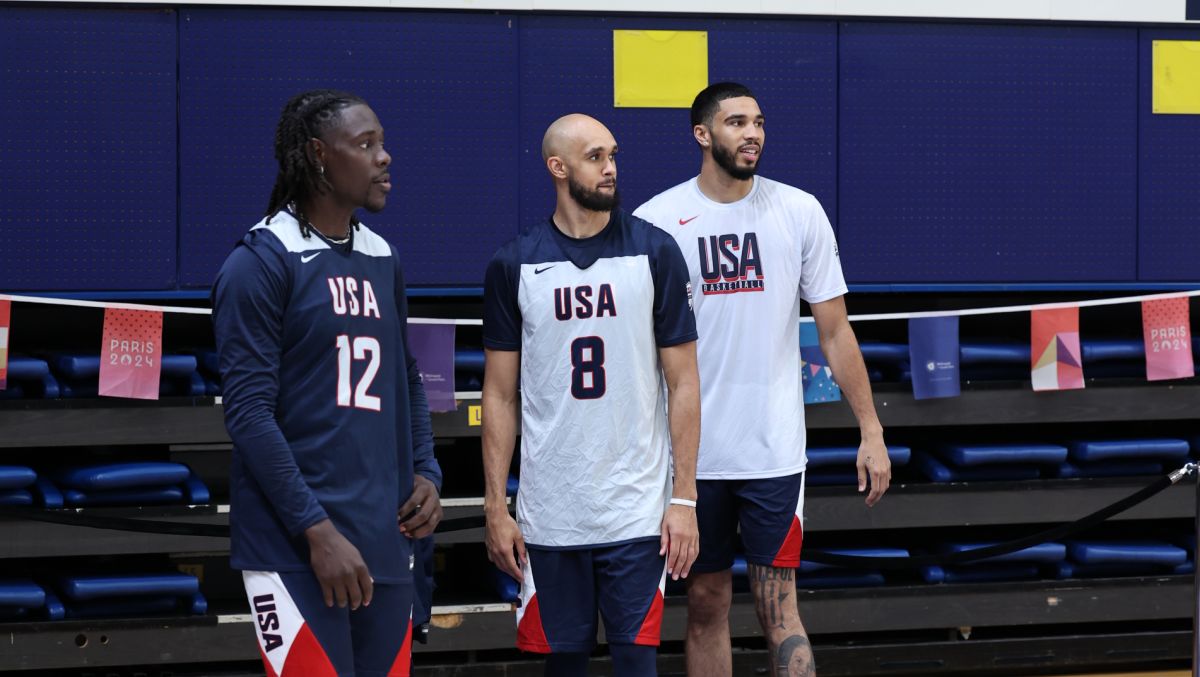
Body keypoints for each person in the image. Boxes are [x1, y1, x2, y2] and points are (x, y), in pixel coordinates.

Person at [633, 82, 891, 677]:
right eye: (736, 122)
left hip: (774, 453)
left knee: (781, 612)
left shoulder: (798, 211)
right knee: (705, 603)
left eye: (759, 122)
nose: (752, 133)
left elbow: (835, 332)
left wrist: (871, 429)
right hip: (692, 459)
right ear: (703, 134)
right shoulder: (657, 221)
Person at [212, 89, 443, 677]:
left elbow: (406, 377)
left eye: (382, 143)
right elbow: (247, 416)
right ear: (318, 154)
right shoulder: (260, 262)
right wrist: (316, 530)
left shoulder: (382, 256)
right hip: (296, 548)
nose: (384, 157)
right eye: (365, 144)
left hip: (384, 542)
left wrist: (427, 471)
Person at [481, 114, 701, 676]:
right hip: (551, 514)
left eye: (613, 155)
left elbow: (684, 382)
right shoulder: (515, 264)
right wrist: (494, 507)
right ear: (558, 168)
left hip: (635, 509)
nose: (611, 169)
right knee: (564, 667)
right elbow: (500, 396)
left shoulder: (655, 252)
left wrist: (684, 499)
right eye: (595, 157)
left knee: (636, 665)